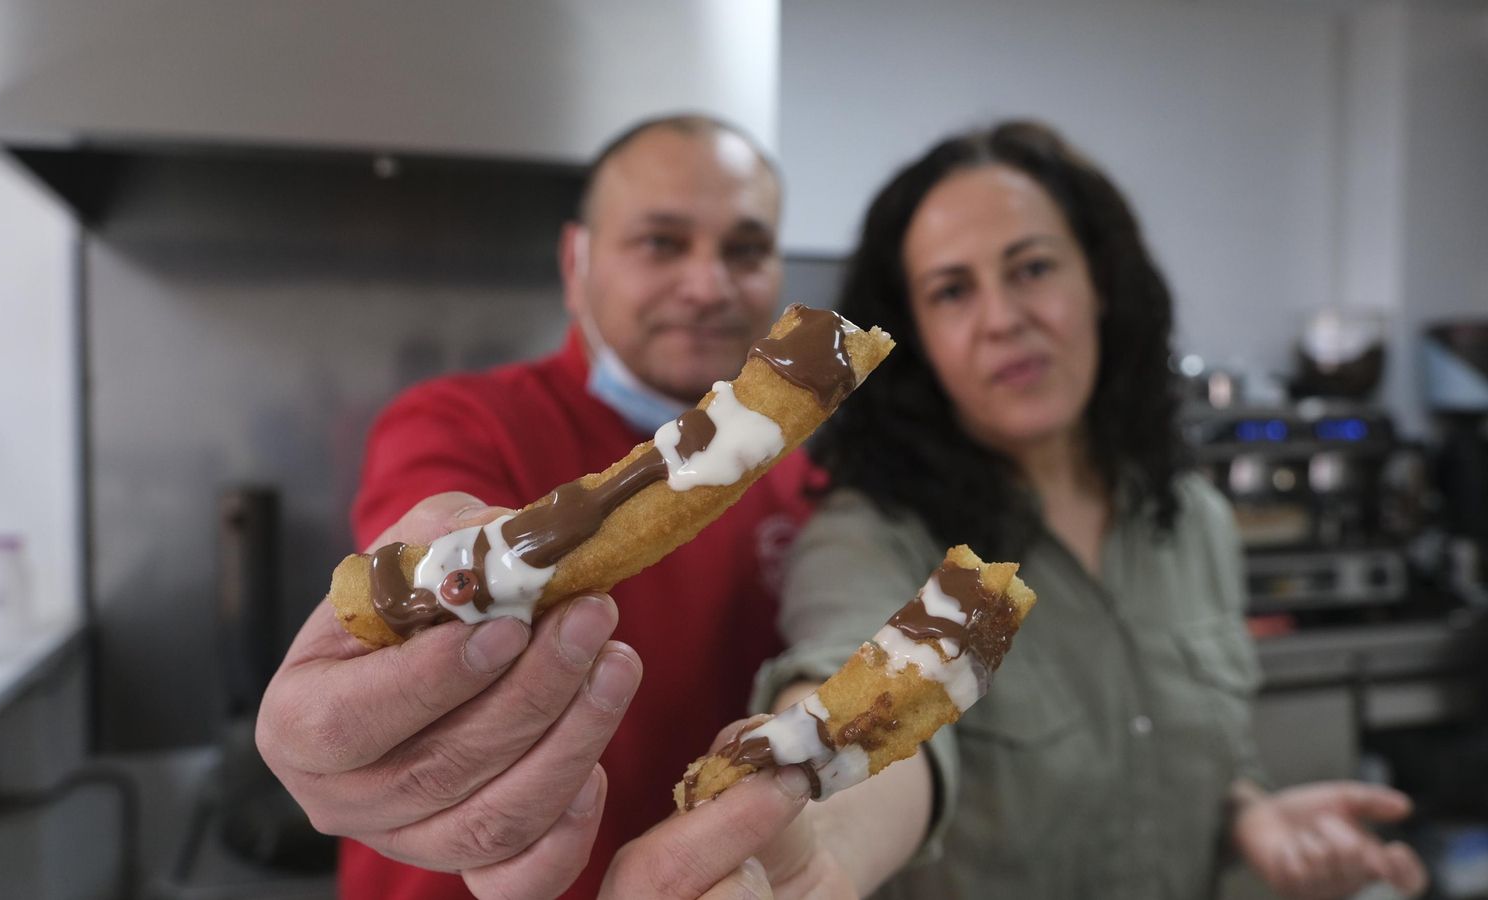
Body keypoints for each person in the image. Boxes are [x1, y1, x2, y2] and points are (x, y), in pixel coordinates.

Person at [750, 121, 1432, 899]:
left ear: (1100, 282)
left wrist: (1250, 815)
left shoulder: (1193, 521)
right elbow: (858, 703)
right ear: (917, 340)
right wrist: (820, 839)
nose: (1003, 317)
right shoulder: (874, 540)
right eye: (952, 291)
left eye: (1032, 268)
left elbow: (1203, 748)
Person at [255, 113, 823, 899]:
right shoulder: (460, 422)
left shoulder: (803, 485)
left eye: (746, 250)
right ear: (575, 262)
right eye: (661, 242)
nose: (708, 285)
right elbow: (427, 531)